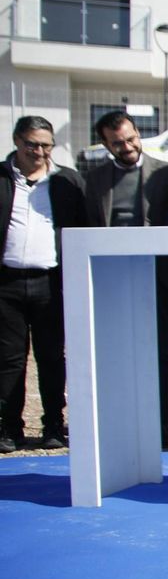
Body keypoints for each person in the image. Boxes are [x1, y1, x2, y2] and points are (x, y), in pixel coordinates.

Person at [83, 109, 168, 448]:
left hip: (156, 279)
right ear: (105, 145)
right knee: (113, 356)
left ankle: (163, 430)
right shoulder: (94, 180)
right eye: (117, 143)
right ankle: (119, 433)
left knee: (158, 355)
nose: (127, 147)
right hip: (110, 280)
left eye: (130, 138)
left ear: (138, 134)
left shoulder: (167, 174)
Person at [0, 116, 87, 453]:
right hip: (7, 283)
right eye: (31, 144)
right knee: (9, 360)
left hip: (51, 283)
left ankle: (53, 424)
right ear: (17, 142)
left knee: (52, 357)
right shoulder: (3, 177)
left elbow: (83, 228)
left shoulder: (68, 182)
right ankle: (9, 427)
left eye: (45, 145)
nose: (38, 151)